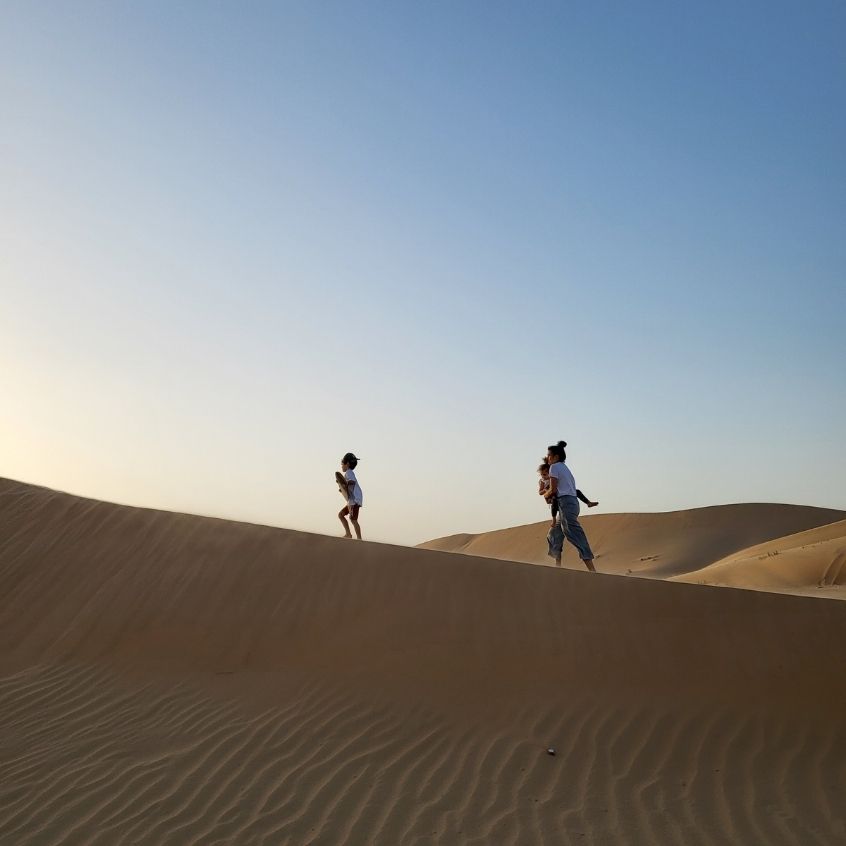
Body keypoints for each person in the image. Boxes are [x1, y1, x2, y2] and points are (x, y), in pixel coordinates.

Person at [546, 441, 597, 571]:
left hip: (566, 504)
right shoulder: (563, 467)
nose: (548, 458)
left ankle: (593, 571)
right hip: (570, 503)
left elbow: (553, 489)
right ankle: (558, 566)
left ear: (556, 457)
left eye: (549, 456)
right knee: (555, 533)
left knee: (574, 534)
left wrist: (546, 495)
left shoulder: (554, 467)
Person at [338, 452, 363, 539]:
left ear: (347, 463)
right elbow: (348, 489)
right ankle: (348, 534)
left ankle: (359, 539)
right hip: (351, 501)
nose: (341, 465)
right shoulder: (348, 473)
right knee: (341, 515)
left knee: (353, 520)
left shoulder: (349, 472)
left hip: (355, 500)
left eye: (342, 463)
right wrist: (343, 489)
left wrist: (345, 485)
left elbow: (352, 482)